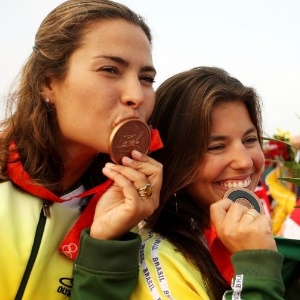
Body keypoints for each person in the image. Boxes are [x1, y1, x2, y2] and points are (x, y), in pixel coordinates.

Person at [0, 1, 163, 299]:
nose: (136, 96)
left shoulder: (131, 209)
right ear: (48, 83)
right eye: (110, 70)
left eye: (146, 79)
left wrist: (106, 245)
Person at [130, 66, 286, 299]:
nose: (244, 162)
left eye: (250, 139)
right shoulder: (159, 259)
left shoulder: (240, 235)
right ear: (174, 158)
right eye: (216, 147)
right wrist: (257, 267)